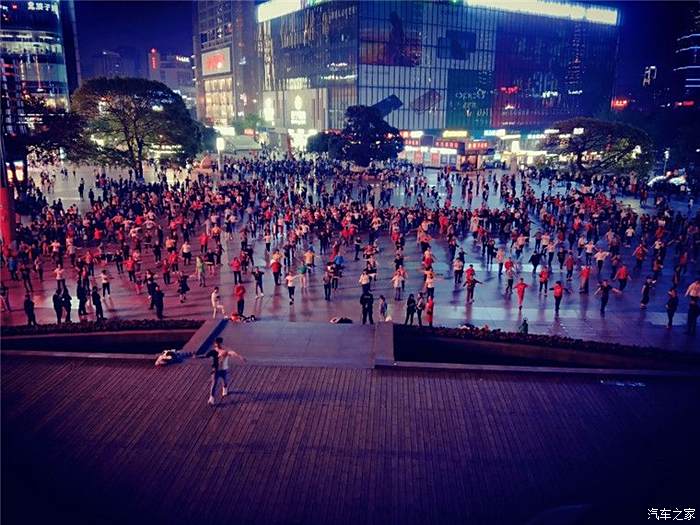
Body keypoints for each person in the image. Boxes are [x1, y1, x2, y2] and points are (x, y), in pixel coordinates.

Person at [204, 337, 246, 406]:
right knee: (214, 384)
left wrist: (240, 357)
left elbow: (233, 353)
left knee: (225, 381)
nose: (216, 344)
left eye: (217, 343)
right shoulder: (214, 351)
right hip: (216, 370)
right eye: (216, 343)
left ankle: (225, 389)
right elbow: (207, 356)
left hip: (224, 369)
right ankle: (211, 399)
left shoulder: (225, 351)